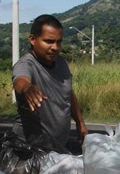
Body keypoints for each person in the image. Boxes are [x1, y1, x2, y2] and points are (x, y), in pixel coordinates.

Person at [9, 14, 87, 152]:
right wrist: (27, 88)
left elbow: (68, 93)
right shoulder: (26, 64)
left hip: (59, 146)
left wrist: (80, 122)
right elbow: (20, 80)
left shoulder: (61, 63)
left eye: (59, 42)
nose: (55, 47)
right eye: (49, 41)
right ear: (33, 40)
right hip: (29, 149)